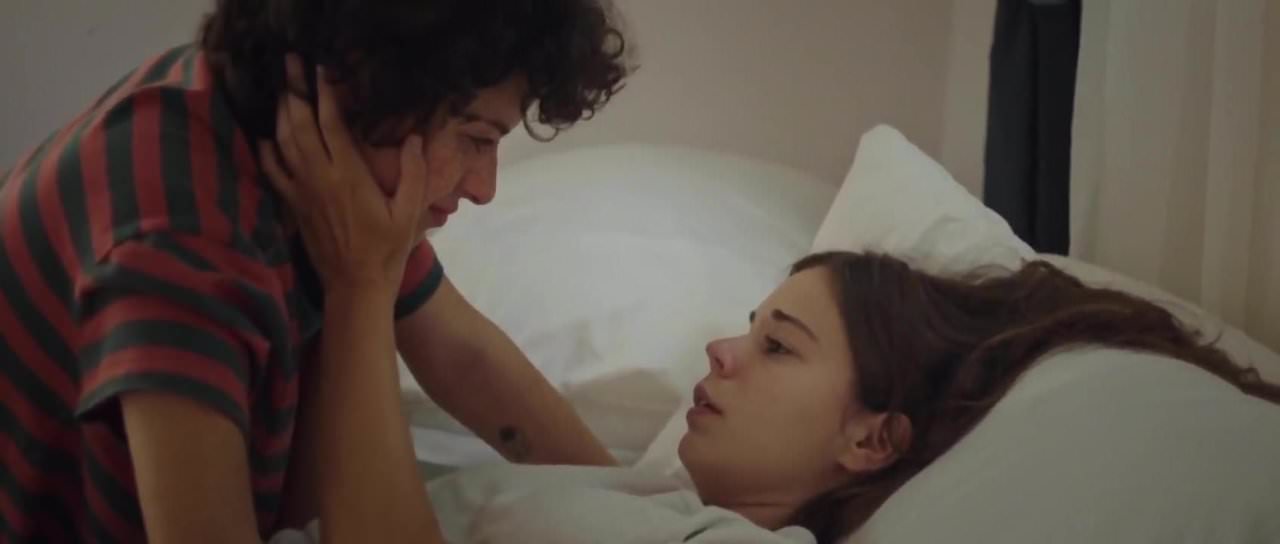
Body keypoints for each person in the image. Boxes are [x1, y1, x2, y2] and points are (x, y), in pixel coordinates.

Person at [268, 151, 1280, 543]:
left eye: (777, 346)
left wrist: (359, 285)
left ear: (871, 440)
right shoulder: (657, 504)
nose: (720, 352)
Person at [0, 0, 627, 541]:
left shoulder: (317, 151)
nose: (485, 188)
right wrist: (361, 287)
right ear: (366, 85)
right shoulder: (176, 232)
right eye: (476, 138)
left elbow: (467, 359)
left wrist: (649, 510)